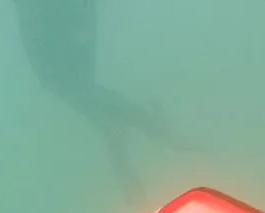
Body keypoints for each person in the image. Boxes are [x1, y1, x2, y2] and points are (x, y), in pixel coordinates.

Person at [10, 0, 179, 199]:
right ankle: (135, 124)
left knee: (66, 81)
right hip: (58, 19)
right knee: (68, 81)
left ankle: (133, 124)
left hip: (53, 19)